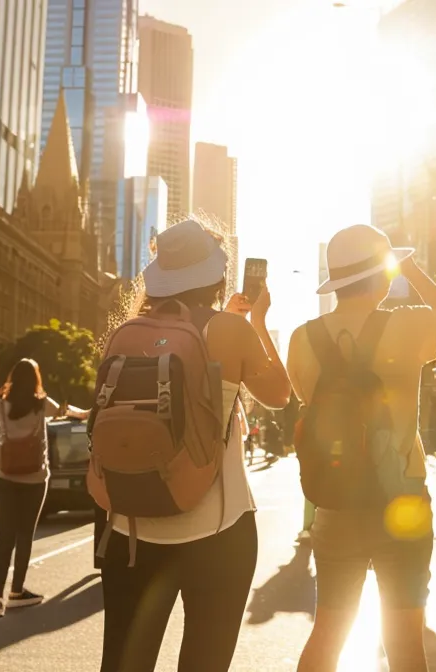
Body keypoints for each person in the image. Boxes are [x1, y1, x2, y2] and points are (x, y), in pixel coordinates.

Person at [98, 218, 291, 672]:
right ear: (217, 276)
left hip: (130, 527)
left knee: (124, 662)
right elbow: (281, 395)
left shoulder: (125, 333)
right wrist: (256, 323)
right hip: (218, 531)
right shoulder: (231, 329)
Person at [290, 224, 436, 672]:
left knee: (328, 633)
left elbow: (307, 399)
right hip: (400, 501)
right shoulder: (408, 323)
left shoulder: (302, 337)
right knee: (405, 643)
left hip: (335, 500)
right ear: (382, 274)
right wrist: (410, 267)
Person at [0, 358, 89, 619]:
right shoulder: (41, 405)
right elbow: (64, 411)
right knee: (25, 535)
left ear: (13, 379)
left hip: (4, 479)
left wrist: (3, 389)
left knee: (5, 538)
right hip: (35, 479)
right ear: (36, 378)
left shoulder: (0, 407)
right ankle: (17, 592)